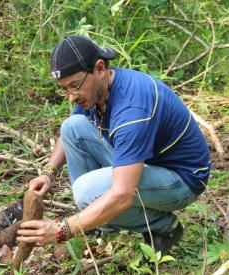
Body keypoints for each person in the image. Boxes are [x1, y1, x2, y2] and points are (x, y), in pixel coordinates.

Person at [17, 35, 211, 254]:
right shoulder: (97, 90)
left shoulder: (132, 110)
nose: (71, 97)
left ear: (99, 68)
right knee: (72, 126)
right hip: (146, 162)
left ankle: (164, 227)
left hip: (181, 180)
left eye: (74, 86)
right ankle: (100, 221)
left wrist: (63, 229)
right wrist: (48, 173)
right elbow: (71, 133)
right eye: (64, 89)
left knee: (85, 192)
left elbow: (122, 194)